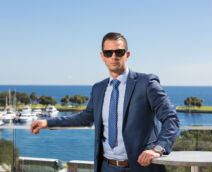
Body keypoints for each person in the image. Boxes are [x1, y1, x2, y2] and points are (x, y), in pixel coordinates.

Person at [31, 32, 179, 172]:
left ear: (127, 55)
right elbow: (85, 118)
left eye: (119, 52)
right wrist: (47, 123)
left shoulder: (146, 83)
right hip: (106, 167)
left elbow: (170, 118)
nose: (114, 57)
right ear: (102, 56)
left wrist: (158, 149)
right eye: (108, 53)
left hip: (141, 167)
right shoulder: (98, 88)